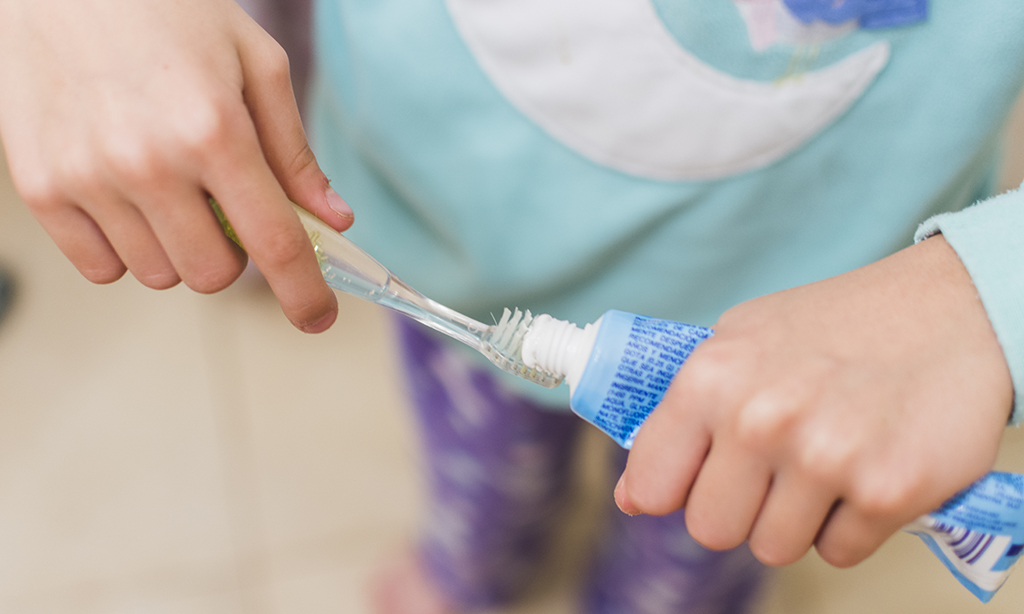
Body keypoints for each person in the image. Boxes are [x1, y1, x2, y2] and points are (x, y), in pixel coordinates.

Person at [0, 1, 1020, 612]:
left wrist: (990, 285)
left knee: (702, 536)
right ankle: (468, 565)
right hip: (448, 231)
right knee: (478, 468)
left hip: (827, 320)